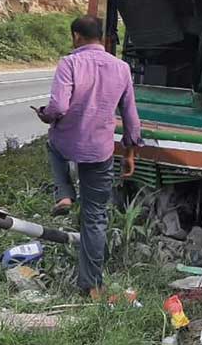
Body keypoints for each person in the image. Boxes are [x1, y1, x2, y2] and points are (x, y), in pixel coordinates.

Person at [34, 15, 142, 296]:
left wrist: (46, 116)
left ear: (76, 37)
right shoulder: (121, 68)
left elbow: (58, 106)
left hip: (67, 143)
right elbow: (131, 117)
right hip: (99, 151)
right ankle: (91, 285)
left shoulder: (69, 63)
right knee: (95, 219)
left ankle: (64, 193)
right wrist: (129, 152)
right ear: (103, 38)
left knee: (53, 144)